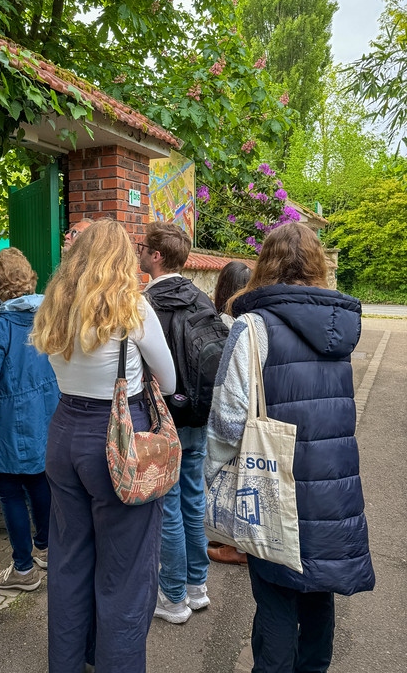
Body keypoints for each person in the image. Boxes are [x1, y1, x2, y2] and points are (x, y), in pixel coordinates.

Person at [205, 222, 375, 673]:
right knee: (319, 589)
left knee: (277, 599)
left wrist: (212, 475)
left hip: (272, 480)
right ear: (318, 265)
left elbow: (227, 419)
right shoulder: (340, 327)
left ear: (266, 263)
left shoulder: (252, 326)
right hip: (334, 480)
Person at [32, 219, 176, 673]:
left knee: (70, 561)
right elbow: (169, 381)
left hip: (64, 433)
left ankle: (70, 664)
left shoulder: (55, 305)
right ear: (123, 259)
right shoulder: (132, 308)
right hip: (119, 437)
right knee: (126, 573)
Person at [139, 221, 227, 624]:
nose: (139, 251)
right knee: (194, 498)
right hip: (199, 414)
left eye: (143, 247)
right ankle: (197, 587)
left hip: (165, 417)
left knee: (169, 506)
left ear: (156, 256)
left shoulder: (148, 302)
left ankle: (172, 598)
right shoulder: (201, 298)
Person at [0, 247, 60, 592]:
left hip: (11, 418)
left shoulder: (1, 323)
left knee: (8, 488)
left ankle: (22, 569)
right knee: (39, 481)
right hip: (48, 411)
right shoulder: (47, 314)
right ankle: (46, 549)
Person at [208, 260, 252, 567]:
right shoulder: (254, 322)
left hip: (227, 407)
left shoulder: (221, 323)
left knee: (223, 472)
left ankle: (230, 542)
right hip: (253, 409)